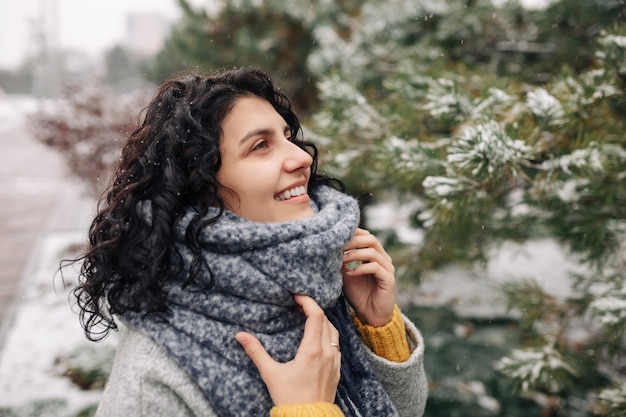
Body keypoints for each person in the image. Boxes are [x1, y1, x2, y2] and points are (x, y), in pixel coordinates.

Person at [72, 67, 427, 417]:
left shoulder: (320, 285)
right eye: (260, 146)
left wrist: (379, 330)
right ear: (200, 185)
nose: (303, 158)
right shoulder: (154, 380)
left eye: (287, 137)